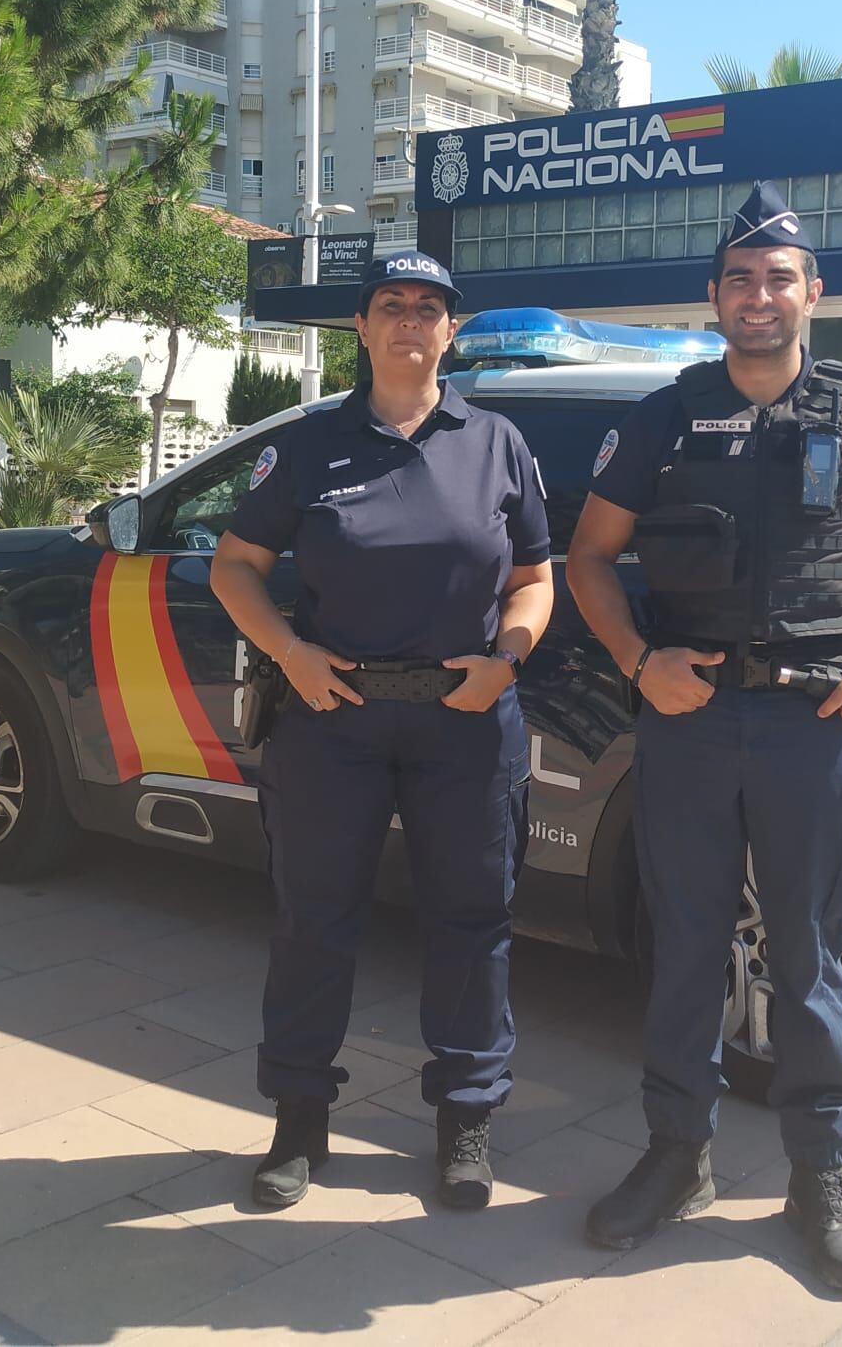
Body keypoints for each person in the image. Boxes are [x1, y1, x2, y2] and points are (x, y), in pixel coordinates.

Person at [564, 181, 842, 1295]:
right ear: (713, 296)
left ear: (811, 295)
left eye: (778, 278)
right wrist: (643, 662)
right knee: (685, 943)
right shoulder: (661, 416)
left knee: (808, 955)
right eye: (738, 279)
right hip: (690, 722)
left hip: (815, 724)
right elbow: (587, 559)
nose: (757, 295)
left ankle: (817, 1180)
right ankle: (674, 1156)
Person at [209, 250, 555, 1213]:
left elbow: (536, 576)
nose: (410, 320)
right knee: (313, 921)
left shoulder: (496, 444)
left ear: (452, 330)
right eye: (391, 305)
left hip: (466, 719)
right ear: (361, 328)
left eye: (429, 307)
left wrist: (509, 659)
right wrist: (290, 653)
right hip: (334, 717)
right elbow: (236, 565)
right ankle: (299, 1122)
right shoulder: (312, 445)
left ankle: (466, 1122)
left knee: (473, 921)